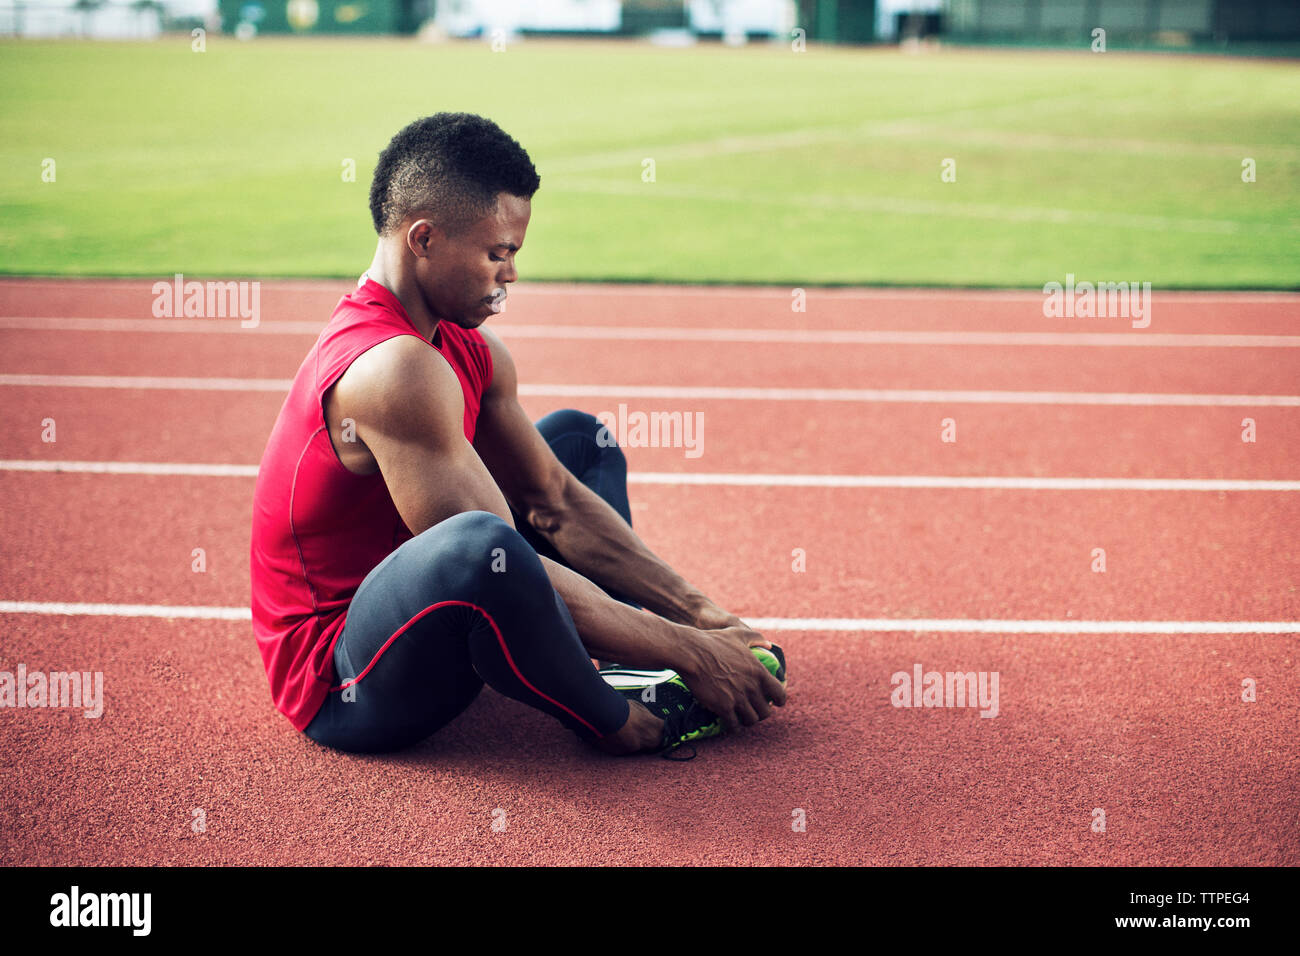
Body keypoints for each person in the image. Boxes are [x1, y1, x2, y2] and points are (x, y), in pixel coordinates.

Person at [250, 112, 786, 759]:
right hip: (348, 683)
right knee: (484, 546)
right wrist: (692, 655)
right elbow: (501, 558)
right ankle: (610, 718)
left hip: (426, 611)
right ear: (423, 239)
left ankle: (597, 655)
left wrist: (704, 617)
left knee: (580, 443)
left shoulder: (468, 348)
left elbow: (551, 501)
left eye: (515, 255)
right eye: (496, 254)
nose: (510, 277)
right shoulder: (392, 370)